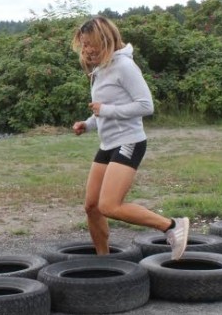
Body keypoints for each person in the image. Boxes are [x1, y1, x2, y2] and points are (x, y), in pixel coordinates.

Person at [70, 16, 190, 259]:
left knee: (109, 206)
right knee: (92, 207)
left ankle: (172, 226)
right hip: (108, 143)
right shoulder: (100, 70)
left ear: (105, 40)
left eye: (90, 43)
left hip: (129, 141)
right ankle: (105, 260)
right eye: (83, 44)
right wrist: (89, 123)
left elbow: (146, 106)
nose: (86, 49)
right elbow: (108, 108)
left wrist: (105, 111)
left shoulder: (124, 66)